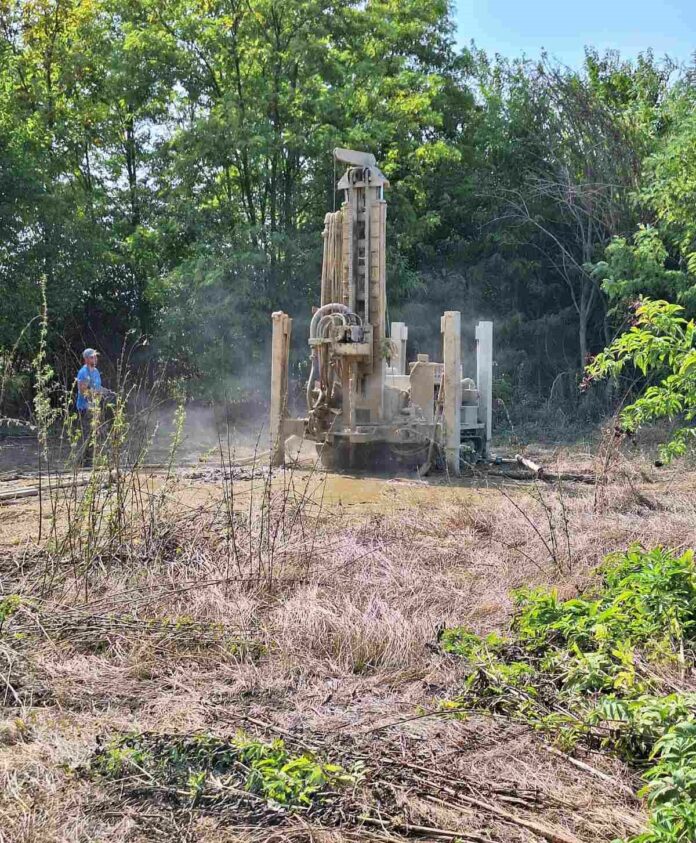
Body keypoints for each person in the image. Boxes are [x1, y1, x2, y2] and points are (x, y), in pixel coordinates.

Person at [76, 348, 103, 465]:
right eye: (92, 357)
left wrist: (106, 392)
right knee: (88, 435)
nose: (95, 359)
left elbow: (98, 388)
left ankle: (89, 461)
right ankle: (83, 462)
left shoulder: (96, 371)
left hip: (95, 407)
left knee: (96, 434)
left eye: (95, 356)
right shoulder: (83, 372)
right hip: (85, 408)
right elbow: (83, 390)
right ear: (86, 359)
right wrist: (95, 394)